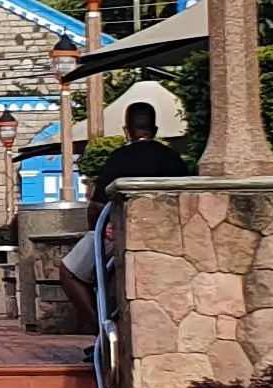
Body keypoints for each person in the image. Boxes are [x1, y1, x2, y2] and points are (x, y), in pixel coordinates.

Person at [54, 102, 186, 330]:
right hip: (170, 237)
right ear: (154, 130)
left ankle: (99, 329)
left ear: (127, 130)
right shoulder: (174, 159)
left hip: (121, 235)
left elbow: (96, 206)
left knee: (69, 271)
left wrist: (96, 232)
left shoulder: (119, 157)